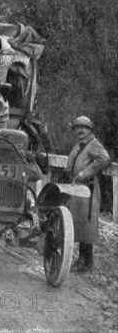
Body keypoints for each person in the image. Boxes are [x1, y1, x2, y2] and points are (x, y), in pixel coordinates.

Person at [65, 116, 111, 272]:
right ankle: (82, 259)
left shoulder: (93, 145)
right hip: (78, 188)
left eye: (83, 127)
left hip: (88, 188)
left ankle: (87, 262)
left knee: (87, 223)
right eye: (77, 127)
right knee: (79, 223)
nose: (80, 130)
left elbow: (104, 159)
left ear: (90, 130)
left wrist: (85, 173)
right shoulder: (80, 145)